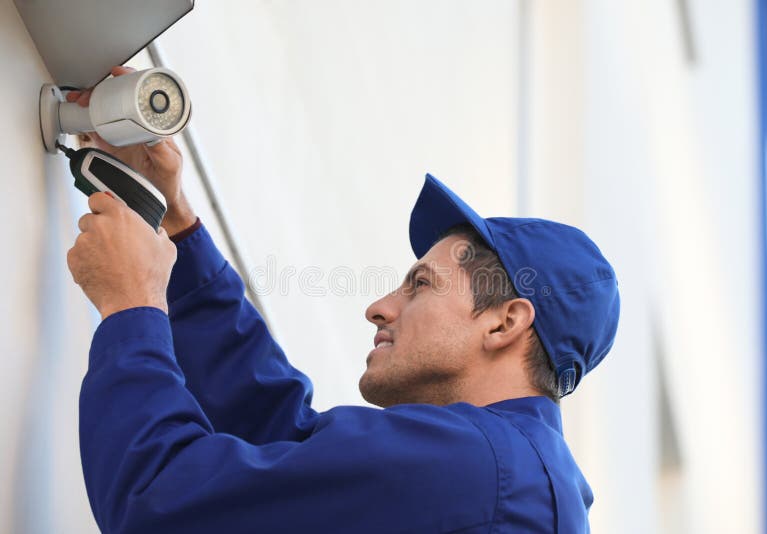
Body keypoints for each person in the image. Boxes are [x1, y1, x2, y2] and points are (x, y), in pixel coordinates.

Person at [66, 67, 620, 534]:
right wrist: (178, 225)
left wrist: (132, 307)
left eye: (421, 284)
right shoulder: (510, 476)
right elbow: (288, 437)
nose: (378, 308)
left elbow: (161, 503)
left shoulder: (482, 468)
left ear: (505, 323)